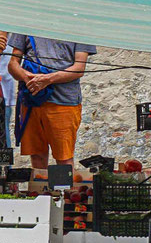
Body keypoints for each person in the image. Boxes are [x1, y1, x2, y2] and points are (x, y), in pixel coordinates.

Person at [9, 35, 93, 171]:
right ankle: (40, 190)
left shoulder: (79, 27)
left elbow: (79, 67)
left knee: (64, 157)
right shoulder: (26, 22)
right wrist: (29, 79)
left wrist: (47, 79)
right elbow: (13, 64)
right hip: (32, 100)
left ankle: (66, 191)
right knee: (36, 155)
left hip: (64, 102)